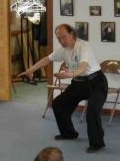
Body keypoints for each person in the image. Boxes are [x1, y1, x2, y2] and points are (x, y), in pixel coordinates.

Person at [19, 24, 108, 153]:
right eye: (58, 38)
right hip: (79, 83)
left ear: (72, 33)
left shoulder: (83, 47)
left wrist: (69, 74)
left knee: (92, 111)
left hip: (96, 82)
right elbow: (47, 59)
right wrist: (30, 70)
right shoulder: (63, 49)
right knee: (58, 104)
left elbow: (83, 66)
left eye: (63, 37)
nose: (61, 41)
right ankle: (69, 133)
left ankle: (97, 143)